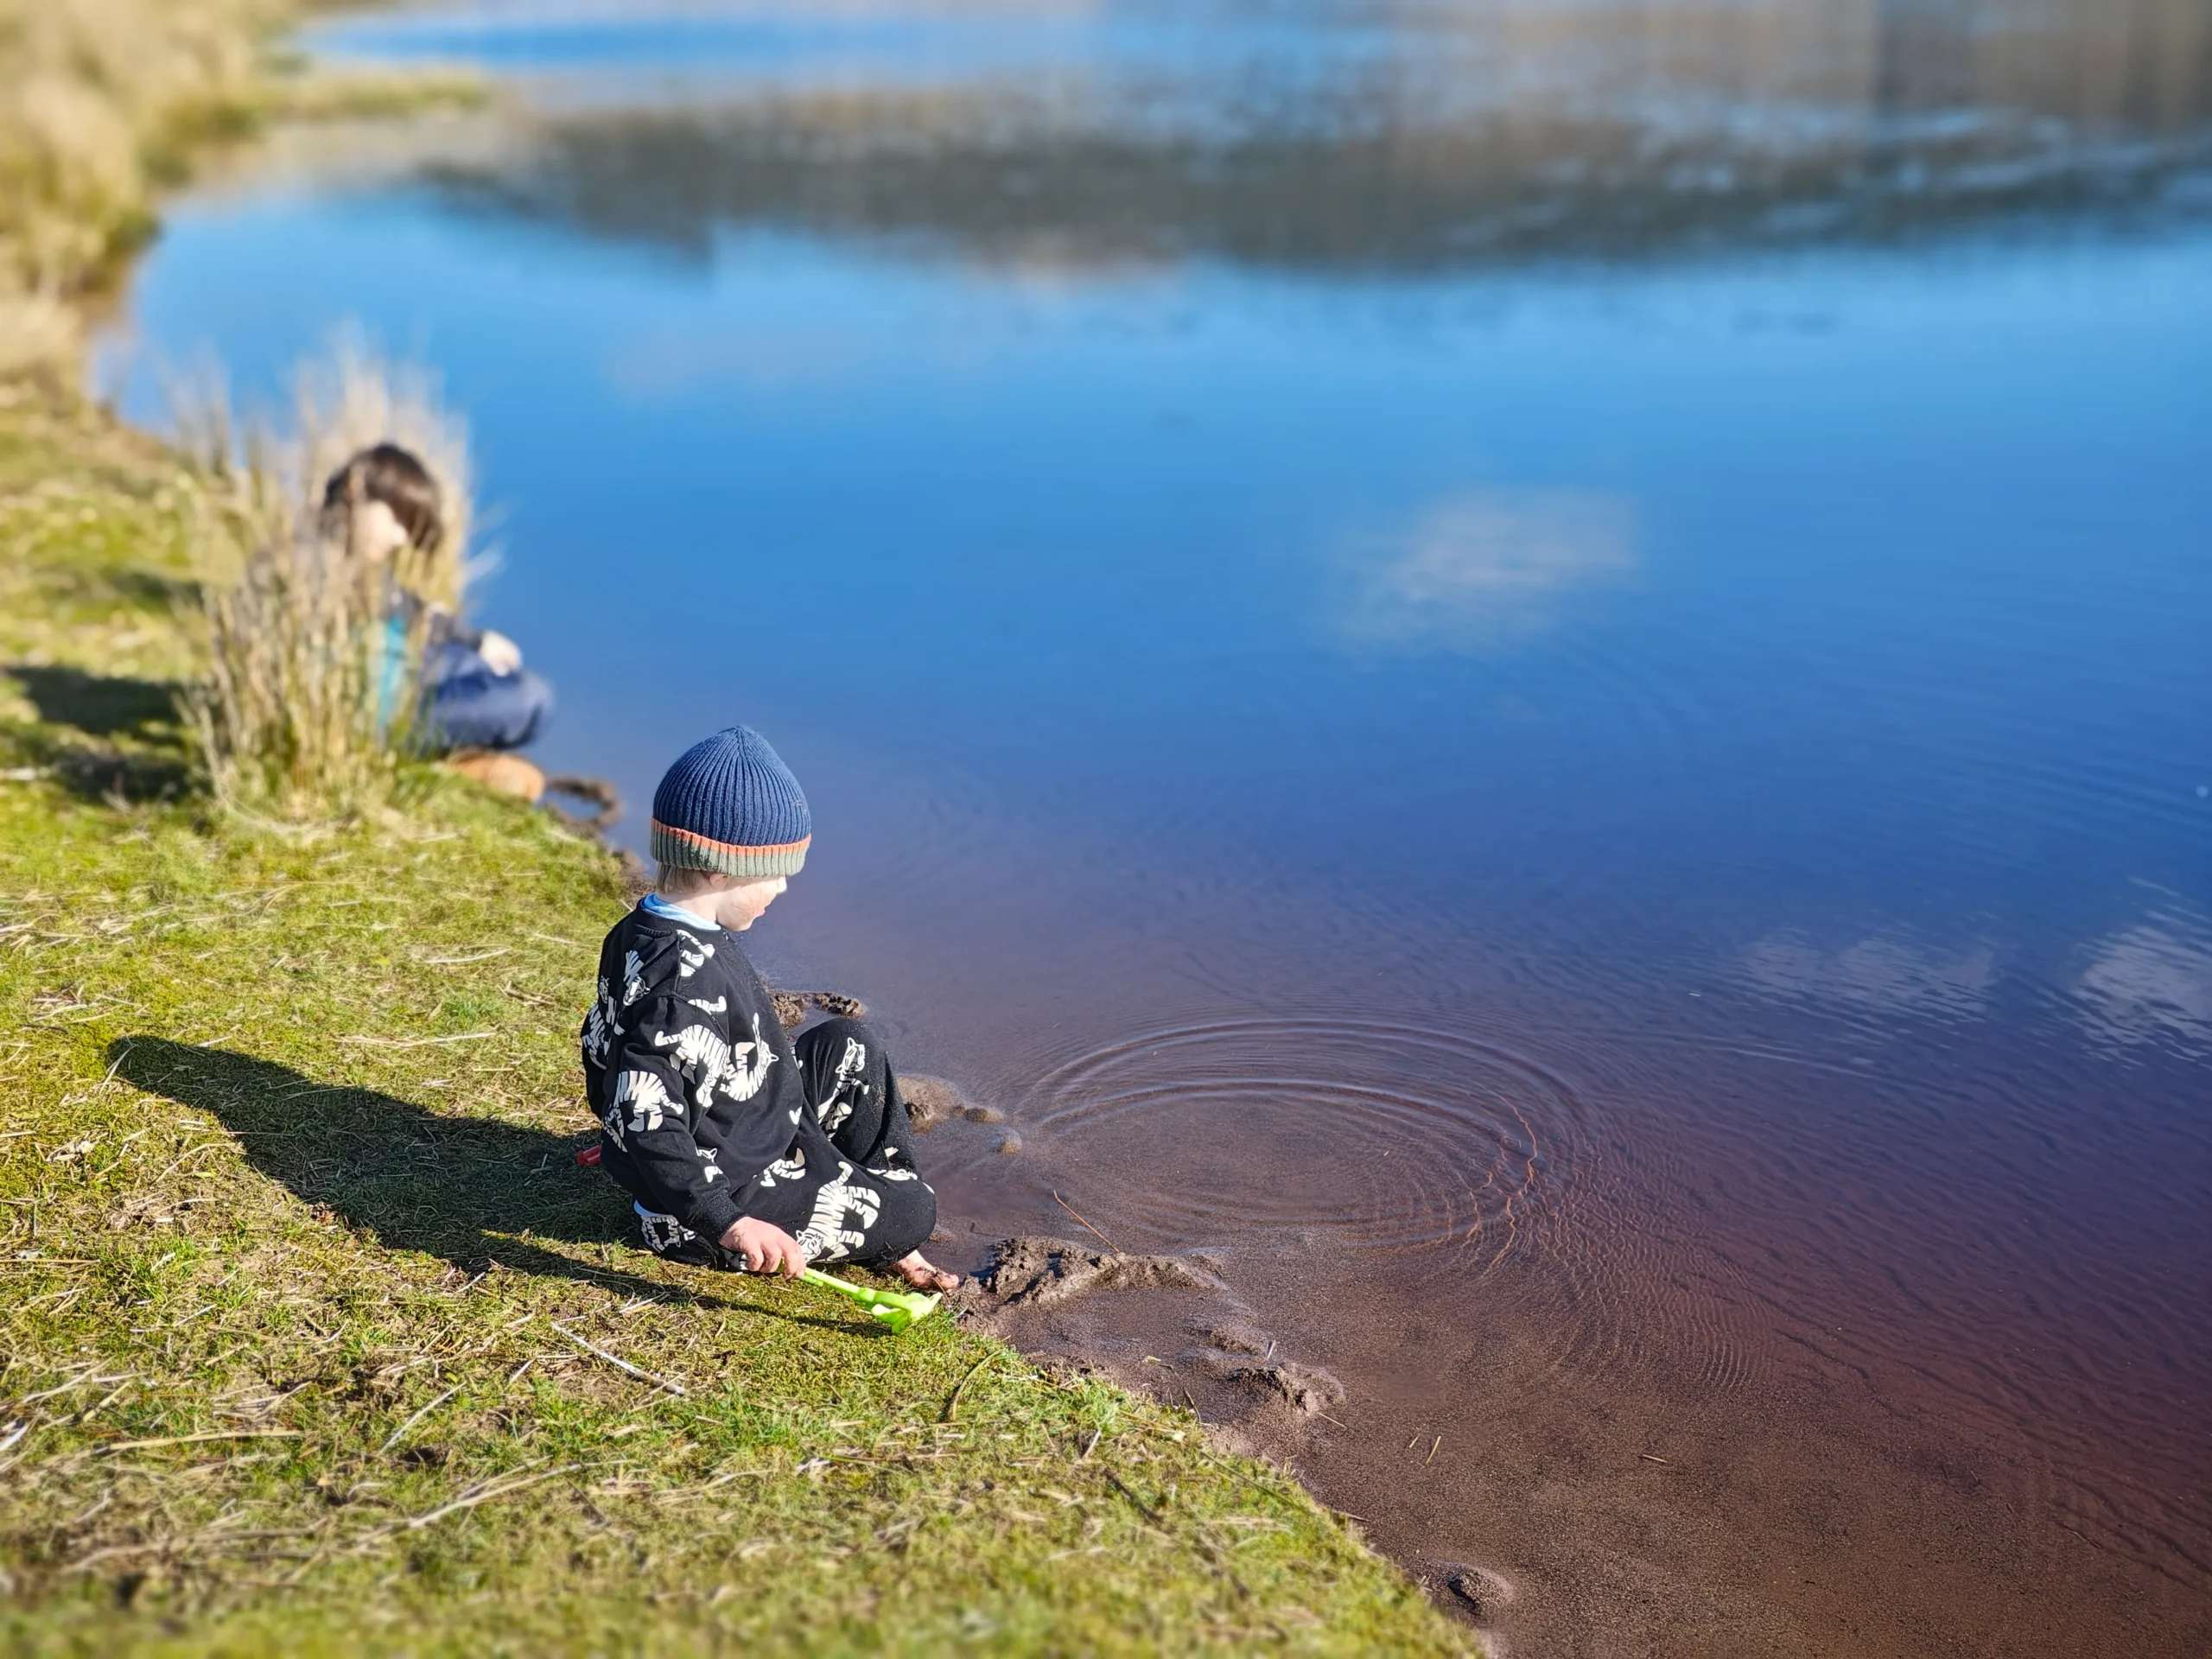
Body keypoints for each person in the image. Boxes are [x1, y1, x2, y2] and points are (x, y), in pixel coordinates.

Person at [577, 725, 961, 1293]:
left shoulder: (649, 928)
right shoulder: (677, 987)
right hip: (720, 1197)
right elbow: (646, 1111)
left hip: (746, 1120)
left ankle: (855, 1188)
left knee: (849, 1045)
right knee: (913, 1213)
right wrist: (725, 1221)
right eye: (773, 873)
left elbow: (606, 1050)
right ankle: (883, 1217)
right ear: (718, 867)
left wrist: (624, 1130)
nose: (781, 888)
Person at [321, 442, 553, 757]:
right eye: (397, 518)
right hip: (386, 718)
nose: (400, 538)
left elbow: (408, 608)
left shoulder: (361, 566)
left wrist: (475, 639)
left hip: (408, 668)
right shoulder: (305, 573)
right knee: (531, 699)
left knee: (491, 667)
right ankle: (433, 748)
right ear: (355, 489)